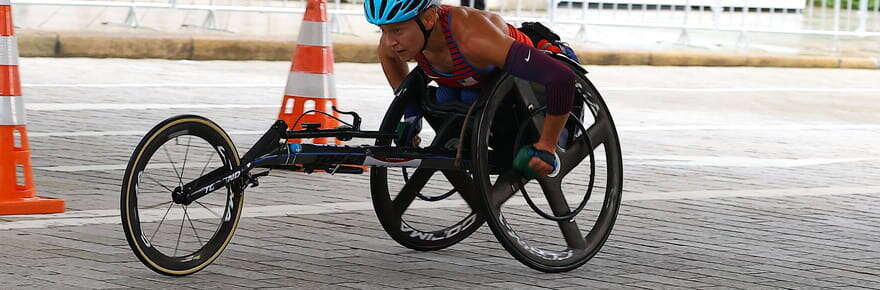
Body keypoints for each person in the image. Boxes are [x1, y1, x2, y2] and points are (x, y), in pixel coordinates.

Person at [364, 0, 578, 178]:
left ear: (429, 18)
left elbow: (562, 77)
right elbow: (390, 60)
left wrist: (547, 146)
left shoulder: (473, 39)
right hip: (471, 89)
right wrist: (411, 116)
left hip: (527, 89)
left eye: (397, 29)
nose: (389, 41)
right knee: (446, 97)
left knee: (463, 96)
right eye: (383, 30)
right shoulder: (393, 44)